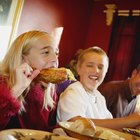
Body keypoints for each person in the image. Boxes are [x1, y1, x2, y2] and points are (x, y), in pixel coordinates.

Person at [57, 46, 140, 130]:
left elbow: (111, 125)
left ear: (105, 72)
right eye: (90, 65)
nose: (96, 70)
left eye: (100, 67)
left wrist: (131, 126)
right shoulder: (74, 91)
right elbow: (74, 123)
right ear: (78, 69)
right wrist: (127, 121)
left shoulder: (99, 97)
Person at [0, 30, 59, 131]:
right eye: (46, 52)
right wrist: (16, 91)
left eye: (57, 53)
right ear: (23, 59)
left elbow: (46, 128)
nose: (55, 58)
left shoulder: (50, 92)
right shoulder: (3, 84)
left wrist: (57, 130)